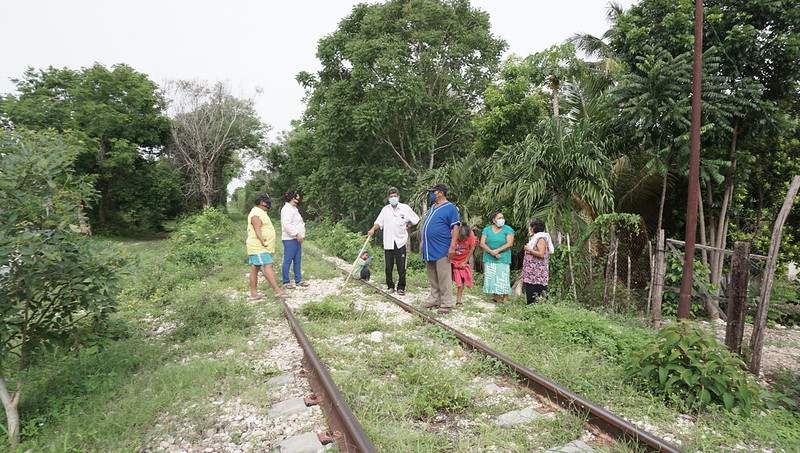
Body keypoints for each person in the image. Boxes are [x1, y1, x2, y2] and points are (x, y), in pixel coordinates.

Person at [367, 187, 420, 295]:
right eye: (391, 197)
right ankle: (390, 286)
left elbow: (416, 219)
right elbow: (379, 222)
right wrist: (372, 229)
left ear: (398, 197)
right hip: (388, 242)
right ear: (388, 198)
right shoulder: (385, 210)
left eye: (395, 196)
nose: (393, 198)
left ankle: (401, 287)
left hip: (400, 241)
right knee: (388, 266)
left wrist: (409, 224)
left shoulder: (405, 208)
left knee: (401, 267)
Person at [420, 183, 460, 314]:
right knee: (432, 274)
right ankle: (435, 298)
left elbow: (455, 227)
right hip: (429, 247)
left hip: (442, 246)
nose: (432, 194)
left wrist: (452, 246)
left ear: (441, 193)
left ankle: (447, 302)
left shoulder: (450, 208)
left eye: (434, 191)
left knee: (444, 275)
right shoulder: (433, 207)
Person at [247, 193, 289, 300]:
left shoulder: (261, 212)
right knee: (268, 265)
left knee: (255, 268)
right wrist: (262, 241)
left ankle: (254, 294)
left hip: (258, 246)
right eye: (267, 201)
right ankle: (277, 290)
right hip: (258, 246)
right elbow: (257, 229)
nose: (269, 203)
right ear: (261, 202)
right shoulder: (256, 213)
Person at [480, 212, 515, 303]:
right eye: (499, 218)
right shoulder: (487, 230)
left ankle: (505, 297)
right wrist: (491, 251)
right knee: (492, 276)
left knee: (503, 277)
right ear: (494, 220)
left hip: (503, 257)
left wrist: (497, 251)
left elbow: (509, 243)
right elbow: (482, 243)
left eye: (502, 217)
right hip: (489, 256)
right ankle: (495, 296)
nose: (501, 219)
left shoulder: (508, 229)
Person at [522, 218, 554, 304]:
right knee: (531, 294)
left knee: (537, 294)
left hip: (537, 273)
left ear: (533, 228)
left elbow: (541, 254)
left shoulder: (541, 239)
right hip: (532, 273)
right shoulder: (535, 238)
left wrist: (529, 249)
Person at [280, 190, 308, 288]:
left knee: (297, 260)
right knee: (288, 260)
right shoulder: (287, 209)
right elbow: (286, 224)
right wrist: (296, 234)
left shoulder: (294, 209)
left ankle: (298, 280)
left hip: (297, 239)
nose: (298, 200)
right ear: (293, 198)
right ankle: (286, 281)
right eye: (297, 198)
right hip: (290, 239)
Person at [451, 224, 476, 306]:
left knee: (461, 280)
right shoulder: (452, 233)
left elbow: (472, 248)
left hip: (463, 260)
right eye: (460, 238)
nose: (462, 241)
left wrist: (465, 261)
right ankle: (445, 298)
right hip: (450, 259)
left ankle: (459, 300)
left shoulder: (471, 235)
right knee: (447, 278)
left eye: (464, 239)